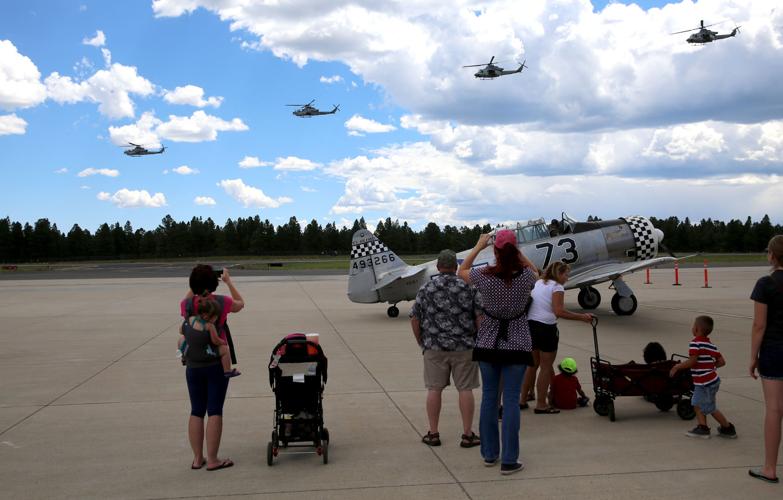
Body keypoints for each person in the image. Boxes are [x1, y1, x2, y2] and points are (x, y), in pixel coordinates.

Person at [458, 230, 537, 475]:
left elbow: (462, 272)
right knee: (511, 401)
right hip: (517, 344)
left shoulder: (483, 276)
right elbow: (538, 273)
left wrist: (478, 247)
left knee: (489, 399)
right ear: (515, 251)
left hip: (489, 344)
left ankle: (490, 454)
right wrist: (519, 254)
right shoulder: (526, 277)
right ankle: (509, 460)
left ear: (495, 251)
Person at [410, 249, 483, 448]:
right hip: (464, 347)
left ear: (438, 267)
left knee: (434, 389)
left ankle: (433, 433)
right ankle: (468, 434)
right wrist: (477, 339)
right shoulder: (468, 288)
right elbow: (479, 317)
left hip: (434, 347)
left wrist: (422, 342)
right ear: (456, 267)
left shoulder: (426, 289)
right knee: (465, 389)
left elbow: (415, 318)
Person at [181, 265, 244, 471]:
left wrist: (196, 285)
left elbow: (187, 300)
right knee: (214, 409)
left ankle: (197, 459)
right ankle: (213, 459)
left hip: (193, 364)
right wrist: (228, 281)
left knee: (196, 410)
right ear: (214, 283)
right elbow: (240, 304)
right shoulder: (221, 302)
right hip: (216, 363)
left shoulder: (187, 304)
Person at [520, 262, 593, 414]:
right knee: (546, 367)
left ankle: (522, 400)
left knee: (532, 365)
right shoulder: (557, 287)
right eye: (566, 274)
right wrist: (582, 317)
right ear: (558, 274)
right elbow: (558, 311)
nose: (567, 278)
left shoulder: (539, 282)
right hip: (546, 328)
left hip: (531, 326)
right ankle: (541, 404)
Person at [748, 234, 783, 483]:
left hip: (774, 350)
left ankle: (770, 468)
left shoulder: (765, 284)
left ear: (772, 255)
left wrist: (753, 357)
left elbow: (759, 325)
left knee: (774, 408)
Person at [670, 315, 737, 440]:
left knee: (709, 407)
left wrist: (677, 367)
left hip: (705, 382)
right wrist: (710, 368)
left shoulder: (695, 343)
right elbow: (722, 361)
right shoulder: (711, 345)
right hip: (710, 381)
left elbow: (692, 361)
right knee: (697, 402)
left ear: (696, 329)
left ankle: (727, 428)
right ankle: (703, 427)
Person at [179, 298, 241, 378]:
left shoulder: (191, 319)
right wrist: (222, 342)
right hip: (204, 354)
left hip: (190, 352)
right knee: (225, 349)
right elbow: (215, 341)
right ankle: (227, 371)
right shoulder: (209, 326)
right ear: (211, 317)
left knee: (181, 339)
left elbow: (181, 331)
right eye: (216, 317)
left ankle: (183, 358)